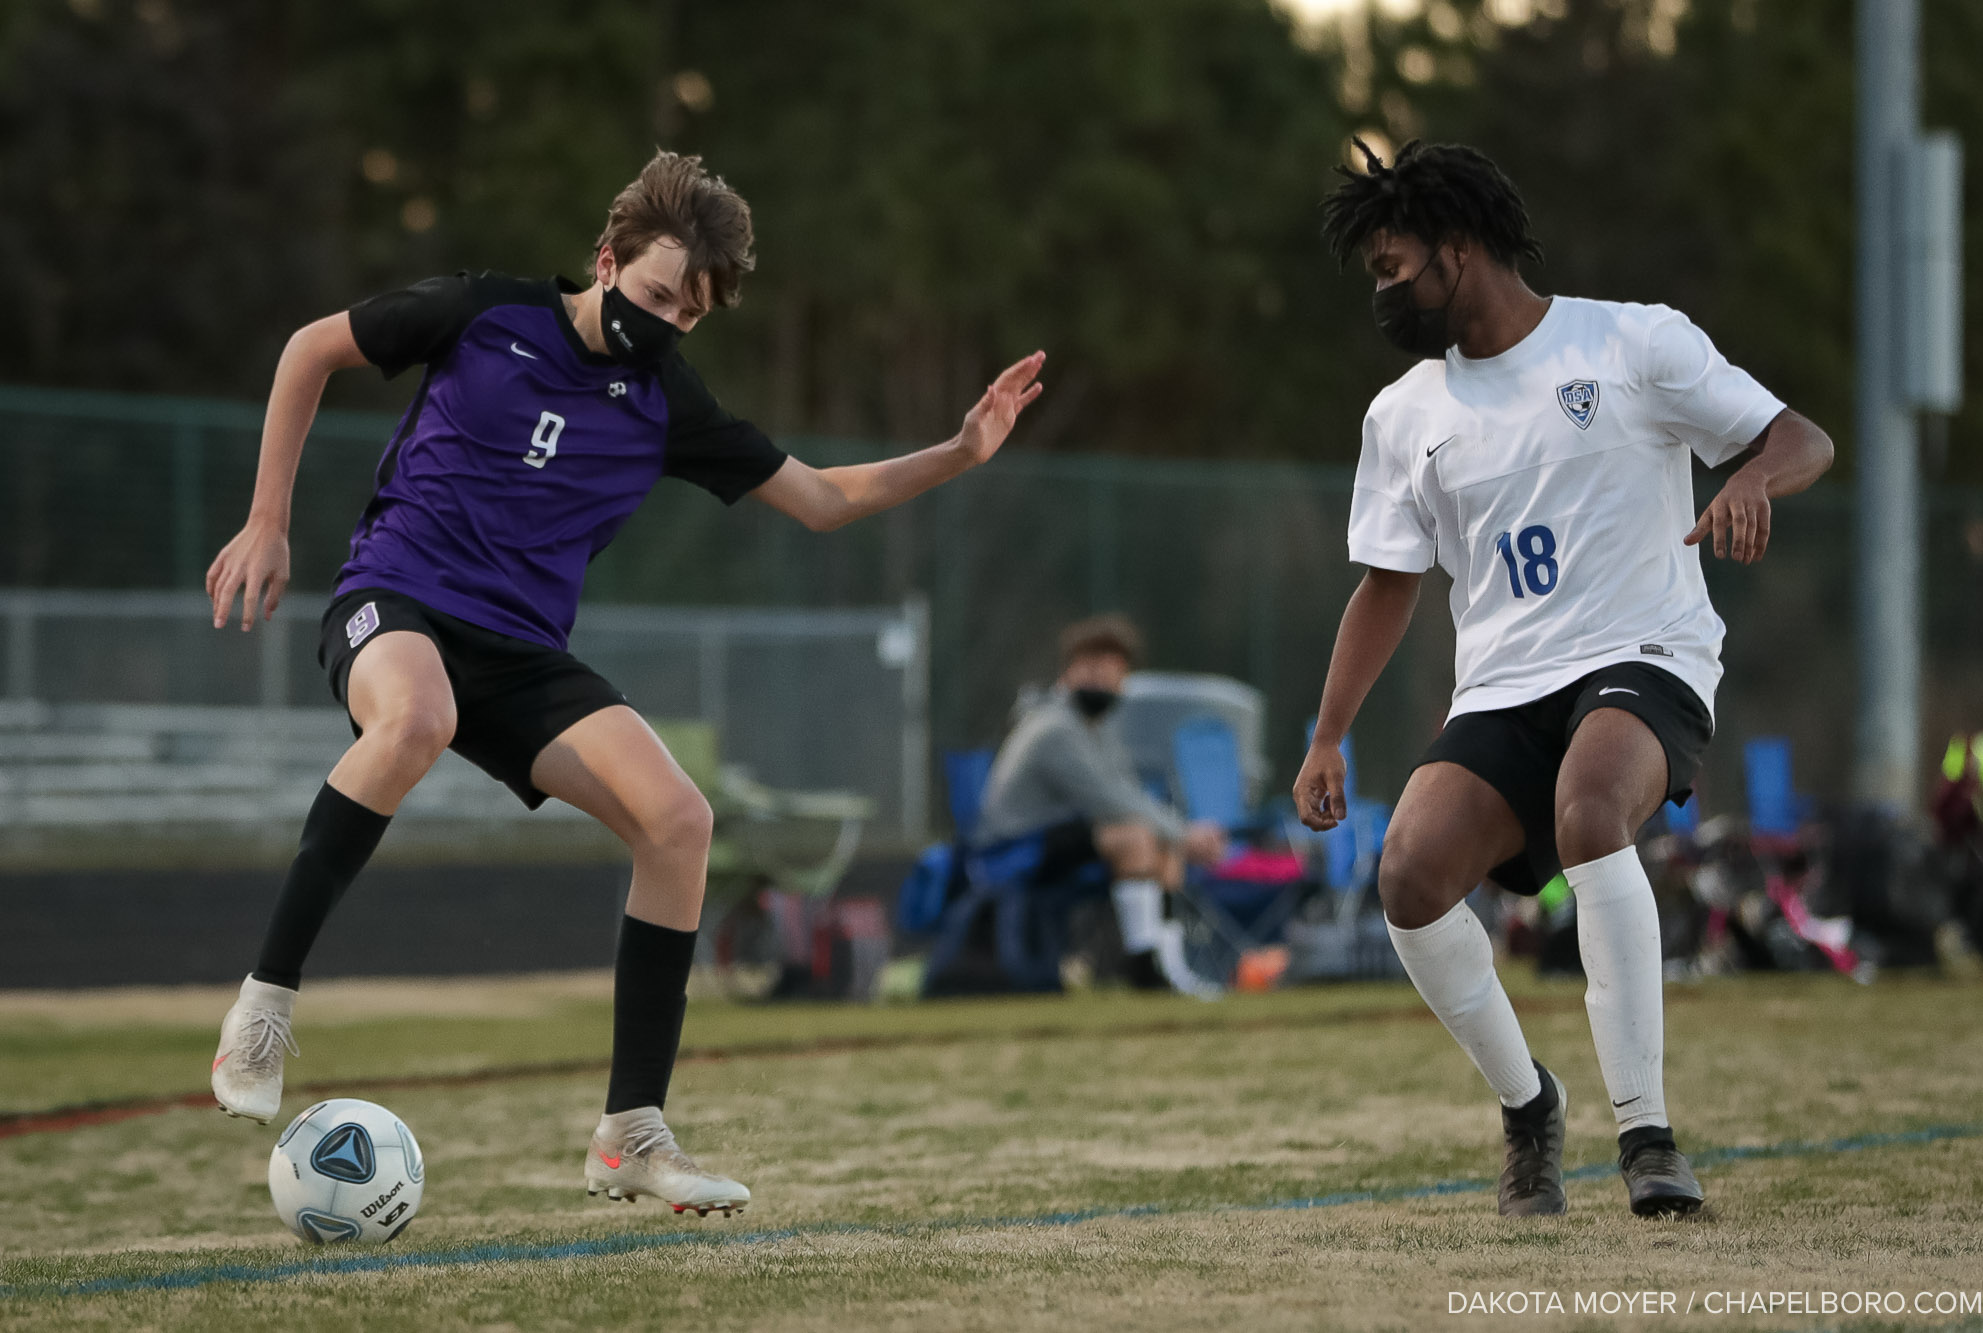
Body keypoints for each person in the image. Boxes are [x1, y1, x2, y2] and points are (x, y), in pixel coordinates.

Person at [204, 150, 1045, 1218]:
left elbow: (824, 499)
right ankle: (266, 1005)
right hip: (395, 597)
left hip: (520, 651)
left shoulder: (664, 402)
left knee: (678, 819)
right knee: (416, 716)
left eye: (687, 314)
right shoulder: (481, 312)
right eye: (652, 295)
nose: (664, 322)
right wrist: (269, 518)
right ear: (606, 261)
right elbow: (309, 349)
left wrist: (960, 451)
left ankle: (630, 1134)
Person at [1294, 140, 1833, 1218]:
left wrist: (1750, 481)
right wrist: (1326, 735)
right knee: (1405, 874)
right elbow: (1387, 587)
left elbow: (1797, 436)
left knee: (1591, 810)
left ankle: (1646, 1136)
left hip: (1645, 655)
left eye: (1393, 267)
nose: (1385, 295)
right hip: (1501, 688)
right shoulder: (1403, 413)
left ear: (1457, 250)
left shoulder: (1631, 340)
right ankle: (1528, 1107)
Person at [975, 615, 1228, 993]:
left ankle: (1170, 968)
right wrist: (1184, 833)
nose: (1102, 683)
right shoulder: (1054, 728)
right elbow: (1107, 799)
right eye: (1092, 670)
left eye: (1113, 674)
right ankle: (1143, 971)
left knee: (1161, 845)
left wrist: (1177, 835)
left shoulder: (1097, 728)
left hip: (1062, 838)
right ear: (1068, 671)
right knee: (1134, 838)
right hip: (1014, 847)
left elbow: (1128, 792)